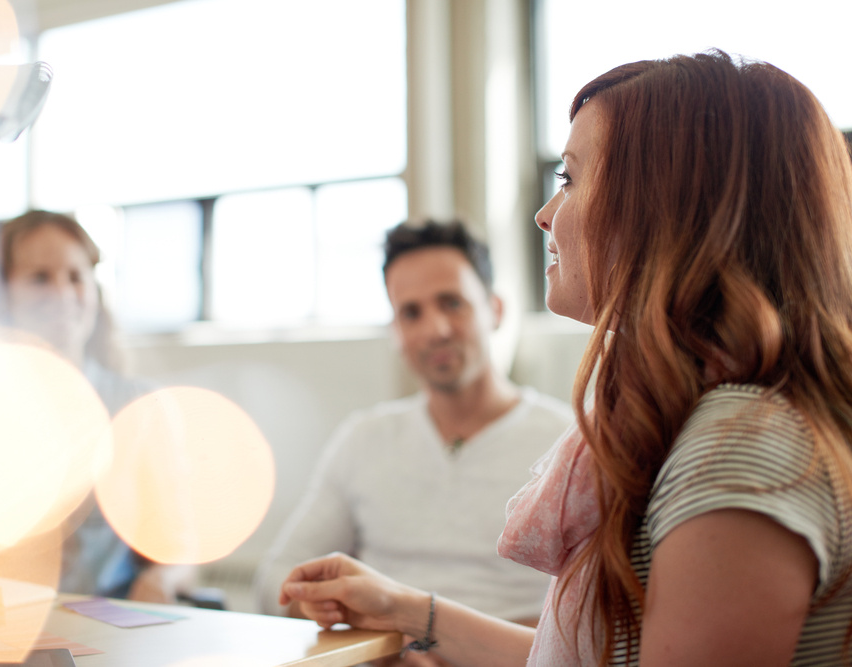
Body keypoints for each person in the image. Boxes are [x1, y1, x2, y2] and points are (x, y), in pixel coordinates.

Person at [277, 50, 852, 666]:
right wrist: (408, 612)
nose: (543, 215)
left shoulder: (741, 449)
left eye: (570, 179)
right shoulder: (701, 424)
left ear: (663, 205)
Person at [254, 219, 574, 631]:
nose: (435, 331)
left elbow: (600, 609)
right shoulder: (364, 439)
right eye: (411, 313)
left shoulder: (566, 440)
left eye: (452, 303)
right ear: (395, 331)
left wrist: (449, 642)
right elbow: (276, 580)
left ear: (495, 309)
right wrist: (356, 622)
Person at [0, 209, 197, 604]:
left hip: (107, 629)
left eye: (76, 276)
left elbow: (179, 547)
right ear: (4, 293)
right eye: (39, 278)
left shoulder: (139, 406)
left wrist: (160, 582)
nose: (63, 294)